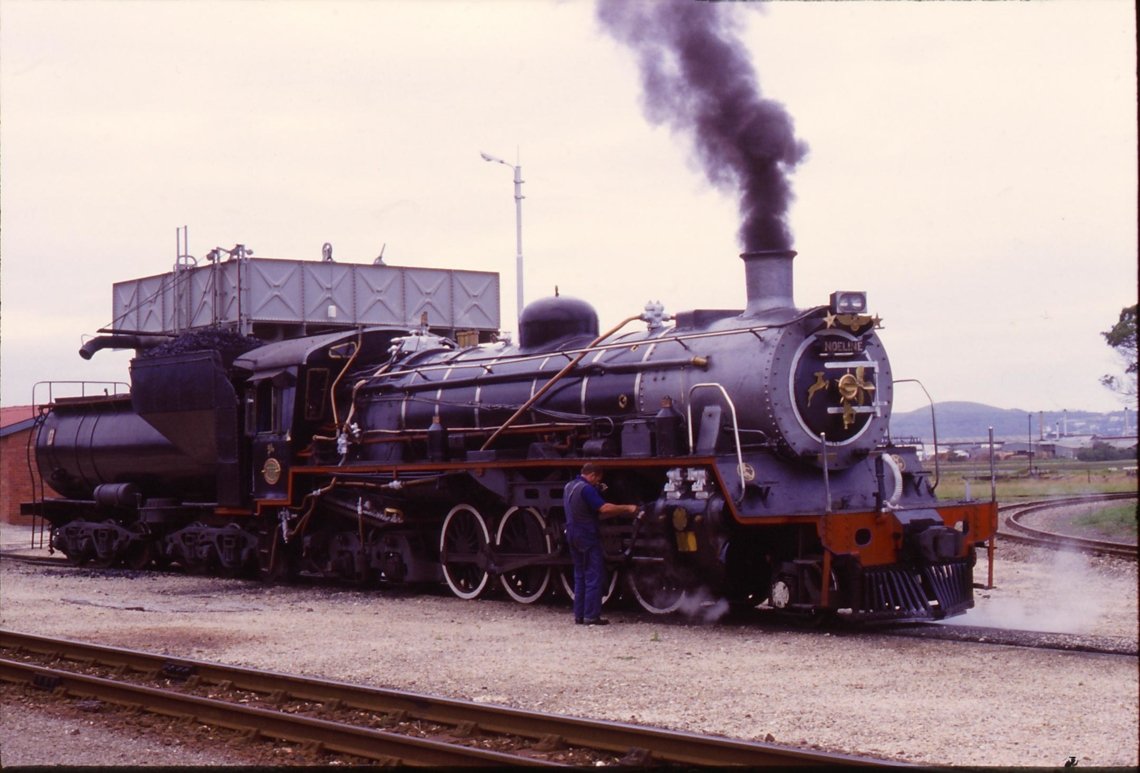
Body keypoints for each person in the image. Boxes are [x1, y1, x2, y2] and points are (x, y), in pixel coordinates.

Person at [563, 463, 639, 626]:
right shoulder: (586, 489)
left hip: (571, 533)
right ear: (593, 475)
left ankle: (579, 615)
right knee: (593, 575)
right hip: (586, 534)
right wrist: (628, 508)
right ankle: (591, 615)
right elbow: (604, 509)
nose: (597, 483)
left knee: (579, 575)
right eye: (597, 480)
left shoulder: (569, 486)